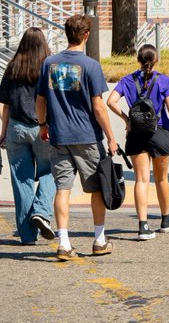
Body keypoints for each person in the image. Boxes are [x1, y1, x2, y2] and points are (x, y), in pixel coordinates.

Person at [35, 14, 119, 260]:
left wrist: (43, 124)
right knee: (96, 188)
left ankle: (63, 243)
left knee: (62, 188)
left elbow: (40, 99)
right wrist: (110, 136)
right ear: (86, 35)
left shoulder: (49, 63)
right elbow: (99, 106)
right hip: (87, 136)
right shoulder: (91, 65)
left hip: (59, 136)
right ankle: (99, 239)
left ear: (67, 34)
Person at [105, 45, 169, 240]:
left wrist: (127, 120)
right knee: (161, 179)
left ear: (138, 60)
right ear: (156, 60)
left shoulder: (127, 80)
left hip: (136, 134)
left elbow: (110, 101)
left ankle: (143, 226)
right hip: (159, 133)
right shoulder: (164, 81)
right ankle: (165, 219)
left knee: (141, 180)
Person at [0, 27, 56, 244]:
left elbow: (6, 105)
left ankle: (27, 235)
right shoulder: (49, 67)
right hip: (43, 129)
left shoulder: (13, 67)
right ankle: (41, 211)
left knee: (21, 180)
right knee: (50, 171)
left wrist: (3, 133)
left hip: (16, 128)